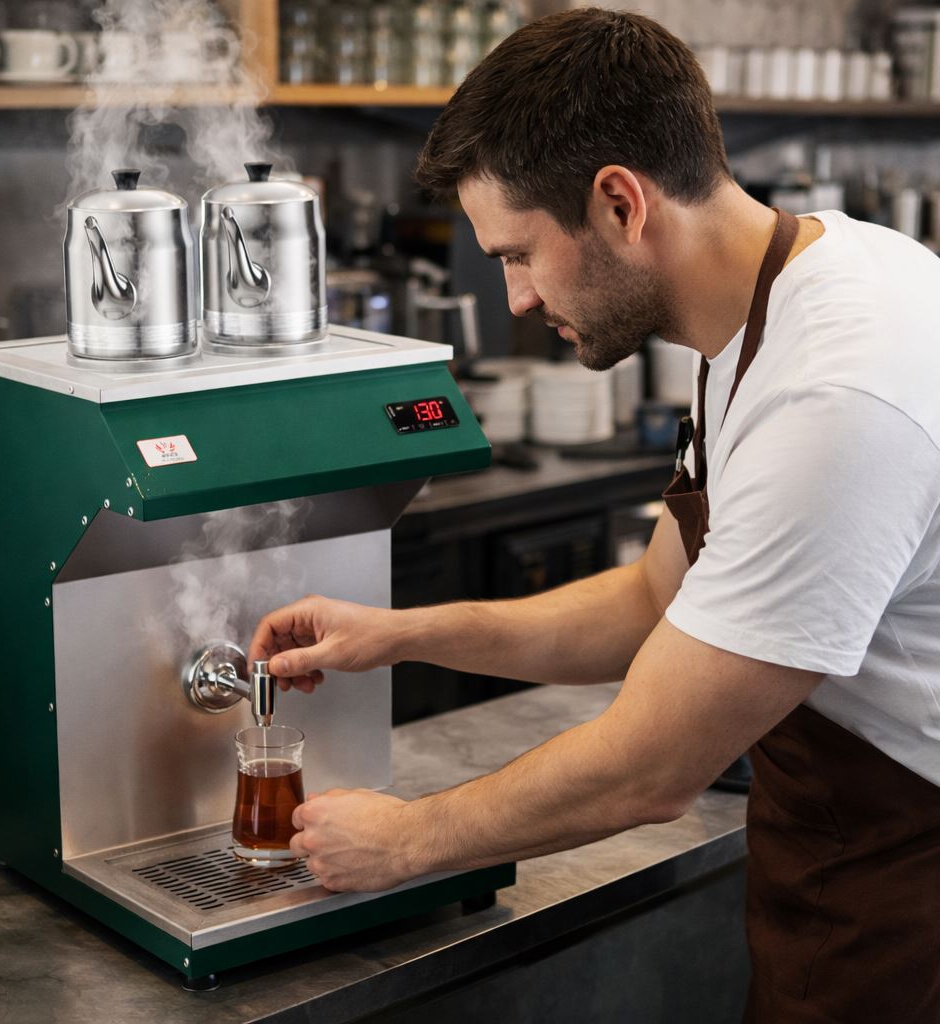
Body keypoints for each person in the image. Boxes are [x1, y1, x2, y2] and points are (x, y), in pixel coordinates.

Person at [249, 9, 940, 1020]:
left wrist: (409, 838)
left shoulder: (835, 395)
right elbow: (652, 599)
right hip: (846, 863)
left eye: (517, 252)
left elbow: (651, 766)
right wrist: (398, 636)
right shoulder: (774, 304)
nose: (516, 298)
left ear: (620, 201)